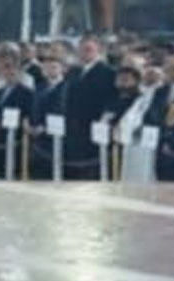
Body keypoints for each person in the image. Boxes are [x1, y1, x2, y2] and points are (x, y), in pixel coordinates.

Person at [63, 35, 117, 180]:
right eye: (82, 49)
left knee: (91, 171)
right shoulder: (73, 72)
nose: (84, 53)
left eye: (88, 49)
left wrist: (106, 119)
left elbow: (112, 99)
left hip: (94, 125)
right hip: (73, 128)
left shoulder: (109, 73)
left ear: (97, 50)